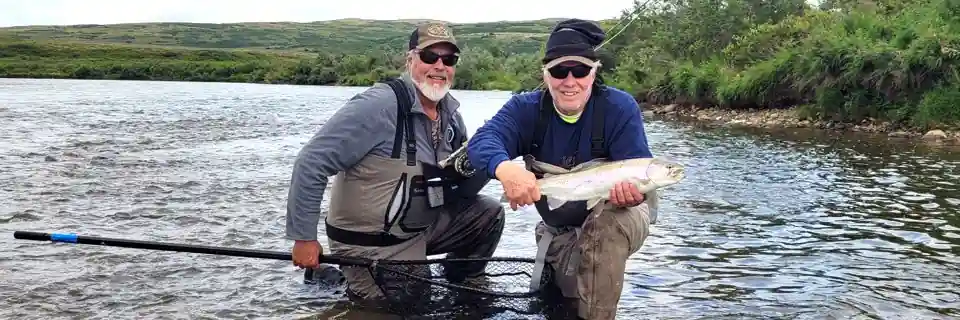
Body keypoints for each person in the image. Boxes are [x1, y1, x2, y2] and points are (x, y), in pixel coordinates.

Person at [284, 22, 504, 305]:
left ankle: (459, 284)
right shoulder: (378, 105)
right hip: (372, 243)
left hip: (417, 228)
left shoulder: (451, 115)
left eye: (449, 59)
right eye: (429, 56)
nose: (439, 66)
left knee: (489, 213)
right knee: (411, 304)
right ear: (410, 60)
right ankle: (336, 279)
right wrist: (304, 238)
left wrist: (495, 164)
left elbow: (457, 184)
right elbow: (311, 162)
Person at [466, 18, 656, 320]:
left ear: (594, 73)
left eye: (580, 71)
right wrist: (506, 169)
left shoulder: (620, 107)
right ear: (545, 74)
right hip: (560, 223)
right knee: (567, 297)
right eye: (559, 71)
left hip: (622, 211)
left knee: (606, 228)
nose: (570, 81)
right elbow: (482, 141)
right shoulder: (524, 108)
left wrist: (635, 195)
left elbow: (639, 170)